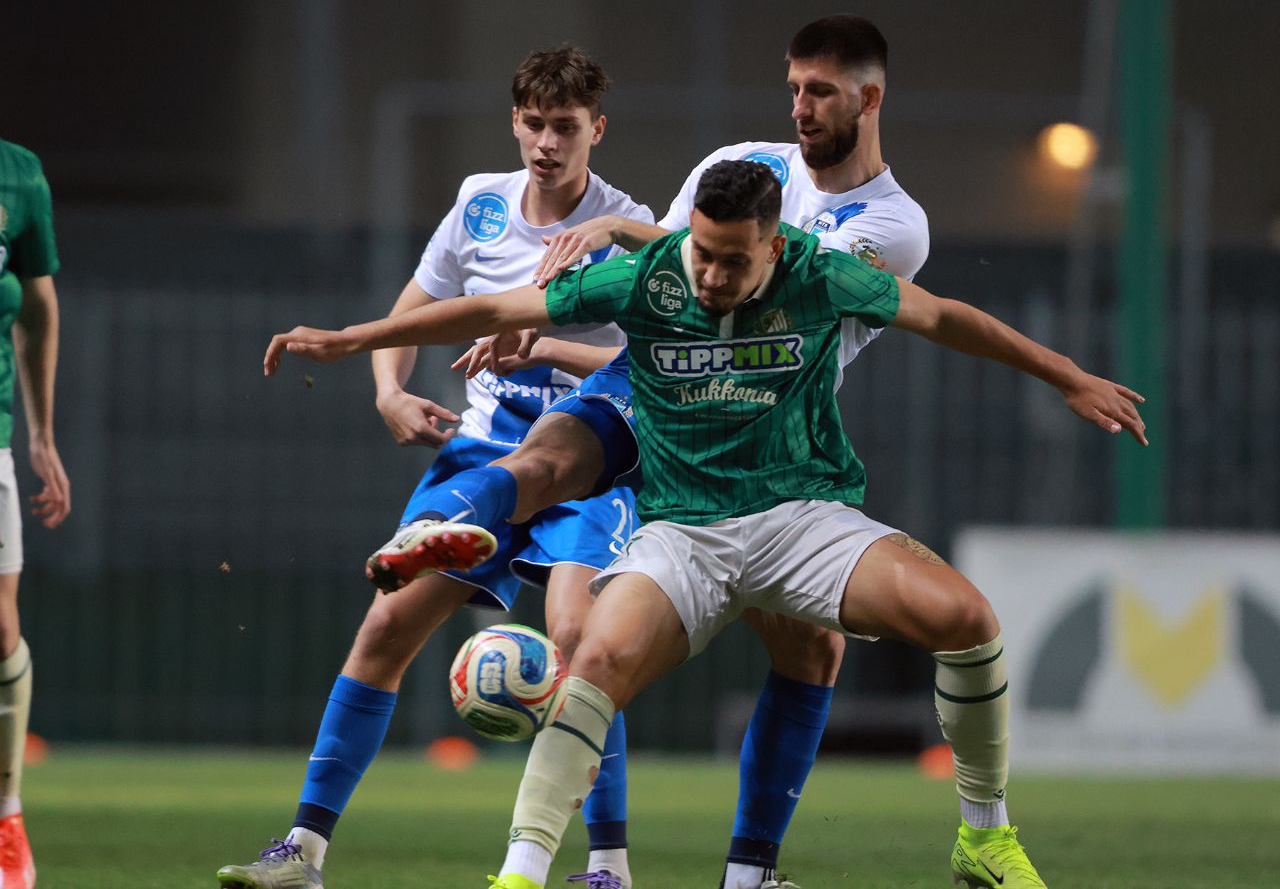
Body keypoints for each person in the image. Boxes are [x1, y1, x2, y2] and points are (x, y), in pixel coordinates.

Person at [262, 160, 1147, 888]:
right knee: (593, 664)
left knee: (969, 620)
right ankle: (521, 877)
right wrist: (355, 339)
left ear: (776, 246)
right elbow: (498, 309)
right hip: (683, 531)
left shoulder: (823, 273)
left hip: (800, 518)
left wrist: (1067, 374)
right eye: (702, 255)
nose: (712, 276)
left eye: (733, 261)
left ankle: (984, 838)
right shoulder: (651, 275)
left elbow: (948, 318)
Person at [378, 15, 928, 888]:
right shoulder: (743, 163)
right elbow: (672, 273)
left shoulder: (893, 226)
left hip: (761, 444)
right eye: (793, 86)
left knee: (807, 652)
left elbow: (762, 288)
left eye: (819, 91)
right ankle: (564, 860)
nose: (799, 106)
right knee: (556, 511)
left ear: (870, 98)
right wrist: (393, 352)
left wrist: (598, 253)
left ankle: (730, 872)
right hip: (662, 395)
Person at [217, 47, 651, 889]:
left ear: (597, 129)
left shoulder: (626, 226)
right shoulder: (480, 205)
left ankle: (607, 867)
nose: (548, 143)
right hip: (488, 444)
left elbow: (645, 359)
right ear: (514, 121)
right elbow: (416, 309)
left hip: (590, 457)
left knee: (579, 639)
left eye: (566, 127)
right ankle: (302, 852)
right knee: (384, 629)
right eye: (535, 123)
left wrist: (544, 345)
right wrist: (388, 391)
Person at [0, 137, 73, 889]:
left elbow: (37, 303)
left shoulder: (19, 174)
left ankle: (5, 818)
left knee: (0, 629)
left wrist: (41, 434)